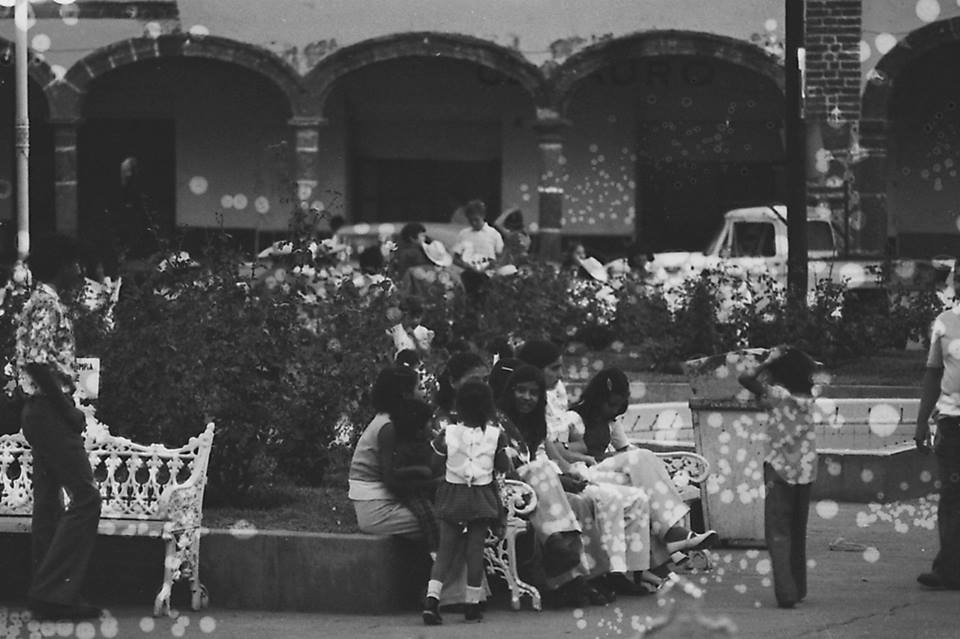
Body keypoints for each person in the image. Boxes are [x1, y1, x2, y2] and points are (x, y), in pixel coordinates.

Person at [16, 234, 102, 621]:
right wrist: (67, 409)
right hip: (50, 410)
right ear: (63, 265)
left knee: (49, 503)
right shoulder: (46, 304)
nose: (80, 270)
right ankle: (53, 591)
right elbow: (37, 361)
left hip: (41, 411)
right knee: (86, 497)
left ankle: (47, 594)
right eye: (76, 263)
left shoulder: (42, 302)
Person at [423, 380, 512, 624]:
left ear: (458, 406)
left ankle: (432, 600)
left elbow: (434, 464)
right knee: (475, 551)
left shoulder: (448, 433)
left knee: (445, 551)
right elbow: (504, 466)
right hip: (481, 496)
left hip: (452, 494)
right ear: (489, 407)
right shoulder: (496, 435)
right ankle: (472, 604)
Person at [739, 345, 821, 608]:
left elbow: (745, 379)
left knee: (778, 532)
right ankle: (799, 587)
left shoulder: (776, 395)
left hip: (779, 468)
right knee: (797, 531)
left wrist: (767, 361)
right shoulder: (811, 398)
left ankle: (786, 592)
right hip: (806, 470)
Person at [914, 261, 960, 591]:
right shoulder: (945, 322)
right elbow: (933, 374)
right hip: (952, 424)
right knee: (952, 497)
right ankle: (949, 570)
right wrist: (921, 422)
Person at [451, 200, 503, 301]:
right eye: (470, 221)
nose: (474, 223)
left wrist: (491, 265)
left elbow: (500, 256)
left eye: (476, 220)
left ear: (483, 216)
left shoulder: (494, 234)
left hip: (488, 276)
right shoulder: (463, 234)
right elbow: (455, 258)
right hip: (469, 276)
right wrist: (466, 266)